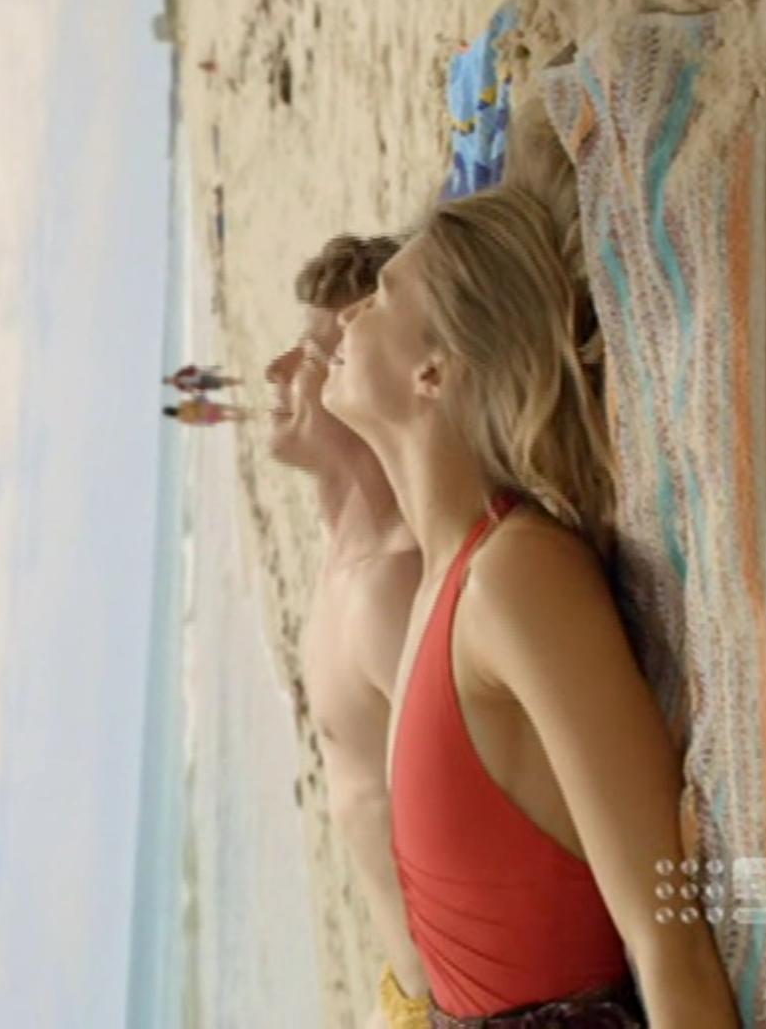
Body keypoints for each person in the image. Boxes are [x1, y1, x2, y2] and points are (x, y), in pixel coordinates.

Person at [319, 105, 739, 1027]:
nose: (348, 312)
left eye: (379, 296)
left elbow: (667, 932)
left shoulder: (514, 577)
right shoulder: (443, 586)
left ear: (434, 371)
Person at [266, 234, 436, 1029]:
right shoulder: (340, 567)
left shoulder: (390, 586)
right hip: (403, 989)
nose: (275, 369)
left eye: (308, 352)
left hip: (447, 1001)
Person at [163, 396, 248, 425]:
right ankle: (239, 409)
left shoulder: (182, 419)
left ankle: (241, 417)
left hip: (205, 417)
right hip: (205, 408)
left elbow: (194, 421)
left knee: (225, 418)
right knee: (223, 407)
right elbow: (195, 402)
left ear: (171, 415)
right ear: (172, 407)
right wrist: (202, 399)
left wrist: (204, 421)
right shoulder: (182, 404)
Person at [166, 364, 243, 393]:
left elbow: (190, 368)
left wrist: (197, 370)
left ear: (171, 377)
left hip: (201, 376)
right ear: (170, 383)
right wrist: (189, 388)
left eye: (170, 379)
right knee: (219, 384)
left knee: (219, 379)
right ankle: (236, 383)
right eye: (170, 382)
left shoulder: (179, 373)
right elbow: (190, 391)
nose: (172, 380)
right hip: (201, 385)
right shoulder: (179, 387)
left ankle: (237, 381)